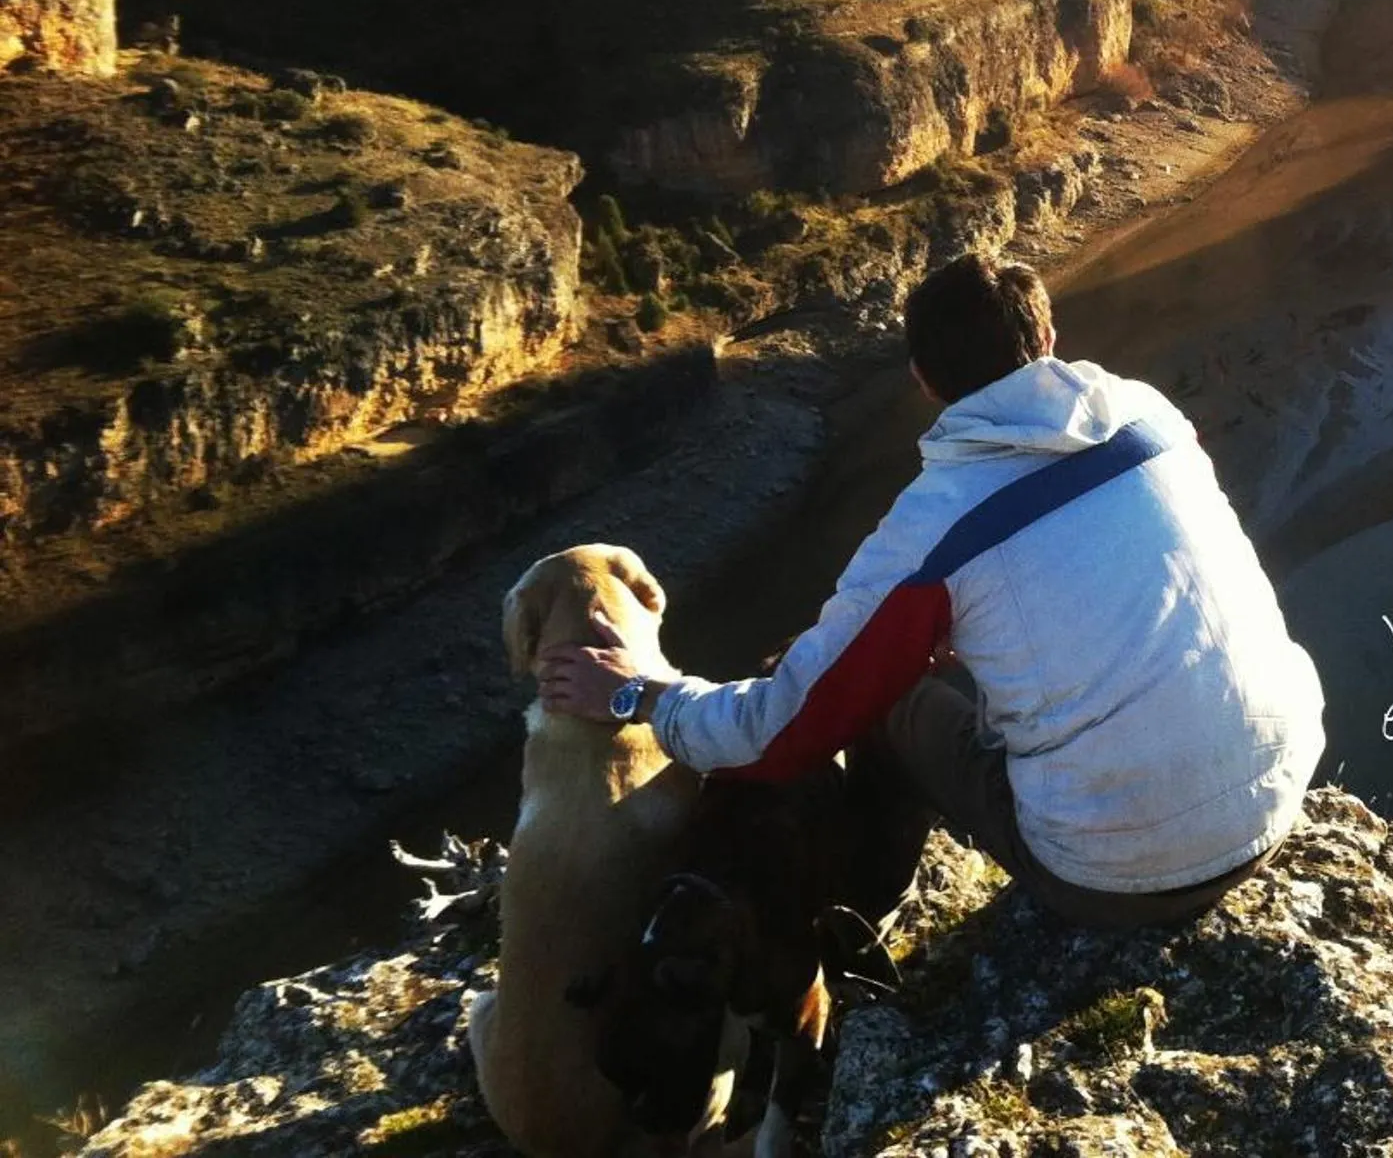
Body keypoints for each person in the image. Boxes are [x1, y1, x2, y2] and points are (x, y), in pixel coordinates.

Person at [538, 251, 1326, 929]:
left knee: (892, 705)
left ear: (921, 380)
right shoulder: (1151, 418)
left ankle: (860, 917)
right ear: (1046, 340)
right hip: (1277, 794)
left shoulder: (933, 529)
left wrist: (642, 696)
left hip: (1113, 877)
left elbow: (786, 730)